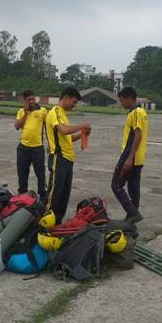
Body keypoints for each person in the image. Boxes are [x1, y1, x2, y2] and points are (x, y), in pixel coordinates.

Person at [45, 87, 92, 224]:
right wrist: (80, 125)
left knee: (64, 195)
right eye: (74, 102)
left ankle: (57, 222)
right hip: (58, 158)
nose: (74, 105)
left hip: (68, 159)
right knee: (55, 194)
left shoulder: (63, 114)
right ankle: (46, 222)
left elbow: (68, 138)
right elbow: (64, 130)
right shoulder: (55, 112)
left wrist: (83, 133)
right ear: (66, 97)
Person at [111, 87, 148, 224]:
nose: (121, 104)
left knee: (116, 185)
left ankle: (133, 213)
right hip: (138, 158)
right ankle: (132, 218)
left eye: (122, 101)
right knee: (133, 188)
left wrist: (129, 158)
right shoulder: (142, 112)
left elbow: (138, 135)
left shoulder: (136, 113)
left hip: (130, 156)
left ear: (129, 98)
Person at [14, 90, 47, 201]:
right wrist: (25, 113)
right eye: (29, 100)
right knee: (22, 172)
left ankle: (42, 195)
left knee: (40, 173)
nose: (32, 101)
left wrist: (51, 144)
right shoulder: (21, 111)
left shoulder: (42, 111)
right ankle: (22, 193)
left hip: (37, 147)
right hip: (23, 147)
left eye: (33, 99)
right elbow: (17, 126)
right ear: (25, 101)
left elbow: (48, 128)